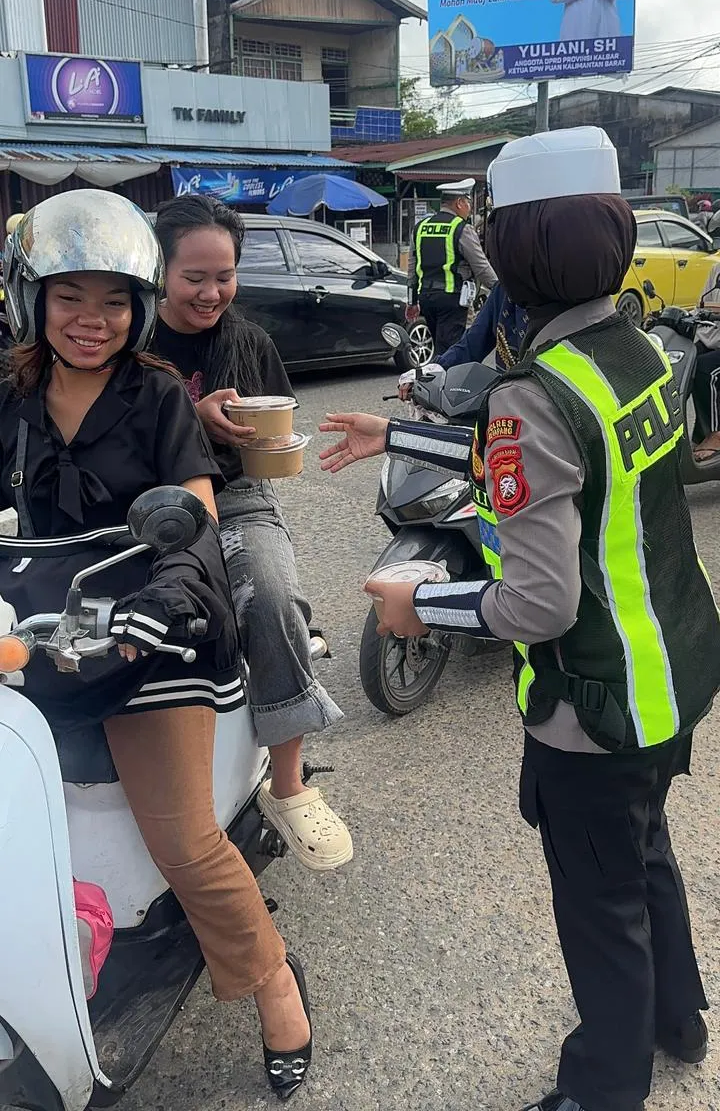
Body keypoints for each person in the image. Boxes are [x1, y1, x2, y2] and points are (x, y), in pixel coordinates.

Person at [320, 127, 720, 1111]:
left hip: (595, 700)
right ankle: (680, 1019)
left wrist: (421, 600)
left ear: (514, 252)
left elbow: (538, 599)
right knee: (646, 852)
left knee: (600, 906)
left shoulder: (533, 394)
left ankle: (603, 1087)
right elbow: (557, 468)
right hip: (672, 669)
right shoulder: (634, 347)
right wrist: (397, 432)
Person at [1, 190, 313, 1102]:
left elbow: (196, 517)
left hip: (149, 632)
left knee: (183, 839)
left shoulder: (159, 397)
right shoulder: (9, 400)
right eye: (70, 297)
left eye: (112, 301)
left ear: (138, 309)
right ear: (32, 300)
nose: (90, 320)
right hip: (34, 633)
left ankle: (274, 981)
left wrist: (170, 593)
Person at [151, 194, 352, 871]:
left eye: (225, 276)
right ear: (159, 271)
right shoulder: (130, 340)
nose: (211, 293)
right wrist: (188, 413)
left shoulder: (250, 343)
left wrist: (272, 444)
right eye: (194, 277)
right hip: (148, 501)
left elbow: (275, 429)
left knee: (270, 596)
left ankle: (287, 785)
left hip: (237, 497)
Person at [408, 178, 497, 357]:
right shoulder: (461, 228)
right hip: (453, 300)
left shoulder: (420, 227)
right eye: (468, 203)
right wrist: (500, 288)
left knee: (439, 346)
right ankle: (446, 374)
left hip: (426, 299)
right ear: (459, 203)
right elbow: (481, 267)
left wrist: (412, 302)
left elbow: (412, 269)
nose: (470, 208)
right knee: (453, 350)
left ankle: (437, 372)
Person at [438, 280, 529, 372]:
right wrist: (439, 367)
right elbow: (474, 341)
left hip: (534, 377)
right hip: (510, 378)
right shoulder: (503, 289)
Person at [691, 258, 720, 457]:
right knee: (686, 362)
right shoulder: (716, 269)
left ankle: (715, 434)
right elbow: (702, 304)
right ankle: (700, 431)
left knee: (705, 370)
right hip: (712, 339)